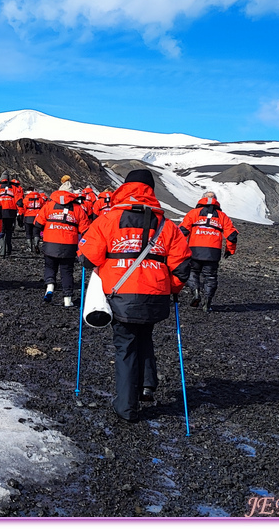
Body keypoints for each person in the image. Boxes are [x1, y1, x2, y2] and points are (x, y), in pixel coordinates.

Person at [78, 169, 192, 422]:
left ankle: (126, 407)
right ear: (151, 190)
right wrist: (169, 287)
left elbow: (87, 257)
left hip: (120, 293)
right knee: (144, 334)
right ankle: (146, 385)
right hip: (155, 294)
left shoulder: (108, 218)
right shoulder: (167, 224)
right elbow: (182, 266)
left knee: (126, 346)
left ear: (124, 187)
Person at [178, 191, 239, 312]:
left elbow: (182, 231)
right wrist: (230, 250)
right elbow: (232, 235)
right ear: (216, 200)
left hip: (194, 250)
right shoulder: (222, 216)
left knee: (192, 272)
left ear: (202, 199)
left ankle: (196, 292)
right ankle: (207, 303)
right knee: (210, 277)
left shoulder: (193, 213)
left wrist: (179, 249)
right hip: (213, 252)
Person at [34, 180, 91, 307]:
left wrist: (37, 237)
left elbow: (38, 223)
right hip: (68, 245)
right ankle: (67, 299)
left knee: (50, 267)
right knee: (67, 271)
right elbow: (86, 230)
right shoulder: (77, 208)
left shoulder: (49, 205)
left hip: (50, 243)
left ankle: (49, 288)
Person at [0, 171, 23, 258]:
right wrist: (20, 213)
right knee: (9, 231)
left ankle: (2, 252)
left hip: (0, 212)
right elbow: (19, 202)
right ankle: (8, 250)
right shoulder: (14, 189)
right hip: (11, 213)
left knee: (1, 231)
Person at [22, 188, 48, 254]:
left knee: (28, 233)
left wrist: (23, 215)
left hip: (28, 216)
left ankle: (30, 247)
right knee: (36, 233)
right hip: (37, 217)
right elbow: (44, 207)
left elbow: (23, 207)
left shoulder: (27, 198)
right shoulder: (40, 198)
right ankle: (36, 245)